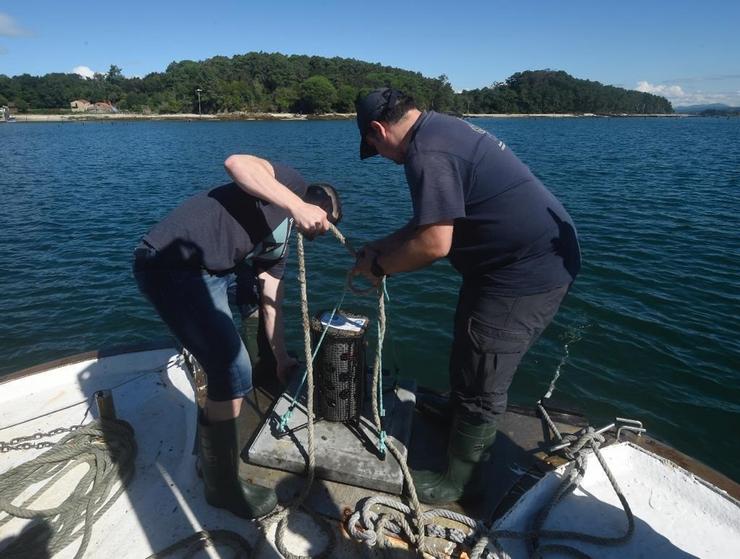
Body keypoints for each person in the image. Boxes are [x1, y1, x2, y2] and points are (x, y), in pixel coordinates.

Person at [351, 88, 581, 505]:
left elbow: (435, 243)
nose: (384, 158)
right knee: (470, 340)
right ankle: (458, 412)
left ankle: (462, 480)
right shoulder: (441, 129)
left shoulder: (427, 154)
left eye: (375, 149)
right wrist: (381, 245)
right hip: (504, 264)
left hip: (524, 273)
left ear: (377, 130)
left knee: (485, 364)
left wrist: (381, 268)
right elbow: (431, 221)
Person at [133, 154, 342, 518]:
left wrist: (280, 359)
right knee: (233, 371)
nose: (321, 230)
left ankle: (214, 462)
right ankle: (222, 487)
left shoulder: (279, 243)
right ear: (316, 207)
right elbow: (235, 163)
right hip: (171, 265)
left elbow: (272, 299)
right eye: (325, 221)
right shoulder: (291, 182)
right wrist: (297, 203)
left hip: (212, 275)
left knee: (230, 366)